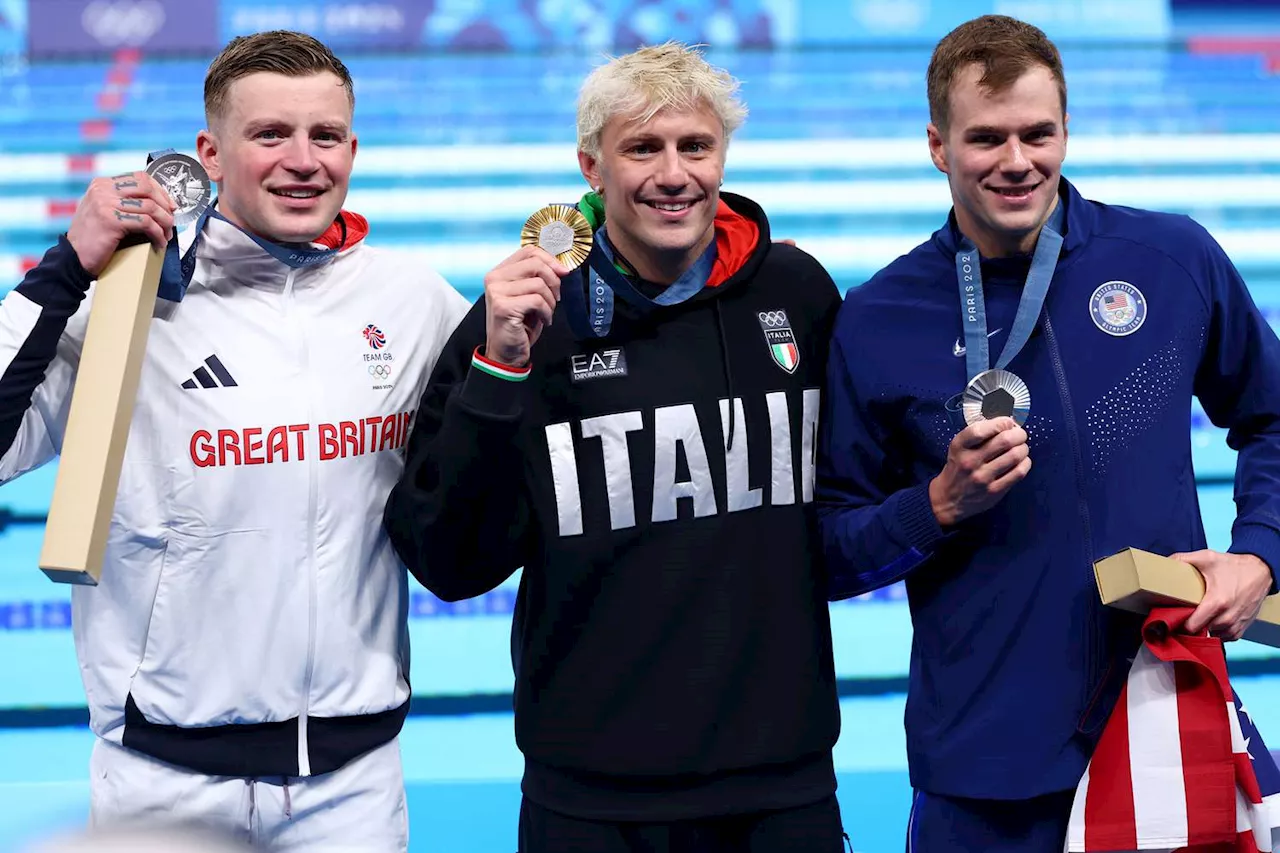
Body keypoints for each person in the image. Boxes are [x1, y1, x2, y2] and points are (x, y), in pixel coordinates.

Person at [817, 13, 1280, 852]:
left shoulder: (1168, 260)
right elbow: (826, 546)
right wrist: (935, 505)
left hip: (1163, 723)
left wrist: (1261, 550)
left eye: (1039, 133)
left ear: (1068, 128)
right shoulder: (879, 319)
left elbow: (1273, 415)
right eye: (986, 138)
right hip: (984, 762)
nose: (1018, 161)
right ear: (937, 145)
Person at [0, 30, 469, 852]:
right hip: (163, 780)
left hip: (354, 783)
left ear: (352, 147)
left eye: (325, 136)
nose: (303, 160)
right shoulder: (122, 301)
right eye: (270, 136)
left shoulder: (412, 300)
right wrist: (64, 267)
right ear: (210, 153)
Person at [384, 42, 848, 852]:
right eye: (643, 148)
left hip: (782, 784)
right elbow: (449, 561)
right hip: (590, 798)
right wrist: (499, 368)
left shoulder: (796, 294)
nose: (674, 174)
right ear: (591, 168)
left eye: (694, 147)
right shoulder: (524, 320)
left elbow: (854, 499)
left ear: (722, 156)